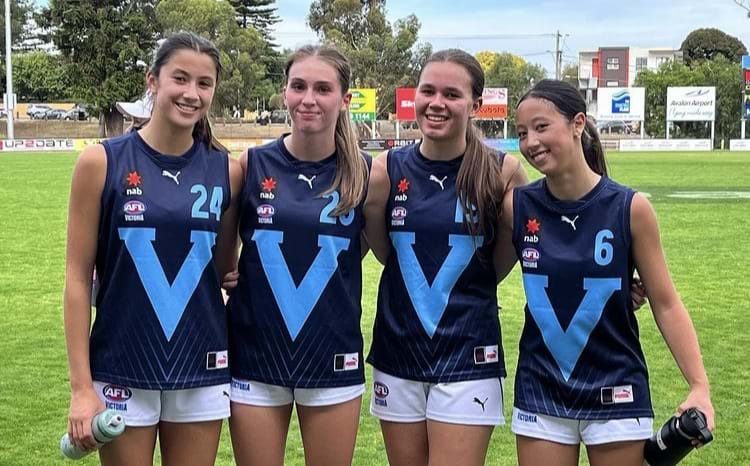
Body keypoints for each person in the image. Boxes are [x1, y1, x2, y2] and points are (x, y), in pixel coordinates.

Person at [503, 79, 714, 466]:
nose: (531, 142)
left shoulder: (631, 208)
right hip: (541, 388)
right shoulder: (516, 207)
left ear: (577, 123)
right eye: (522, 133)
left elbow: (666, 304)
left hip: (617, 388)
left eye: (541, 127)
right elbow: (482, 272)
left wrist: (699, 386)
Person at [63, 31, 242, 465]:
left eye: (204, 83)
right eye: (180, 78)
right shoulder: (100, 162)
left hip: (200, 363)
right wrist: (81, 388)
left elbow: (223, 271)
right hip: (121, 363)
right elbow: (76, 280)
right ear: (152, 80)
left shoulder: (228, 171)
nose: (191, 93)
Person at [363, 49, 528, 466]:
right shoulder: (386, 169)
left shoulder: (503, 171)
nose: (436, 103)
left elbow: (503, 260)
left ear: (475, 104)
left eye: (452, 94)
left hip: (469, 353)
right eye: (428, 91)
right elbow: (385, 252)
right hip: (398, 350)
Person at [226, 45, 370, 466]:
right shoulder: (250, 165)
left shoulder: (366, 172)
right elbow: (221, 258)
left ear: (344, 99)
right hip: (255, 354)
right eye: (299, 86)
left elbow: (367, 248)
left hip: (332, 353)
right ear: (285, 92)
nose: (309, 99)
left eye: (323, 89)